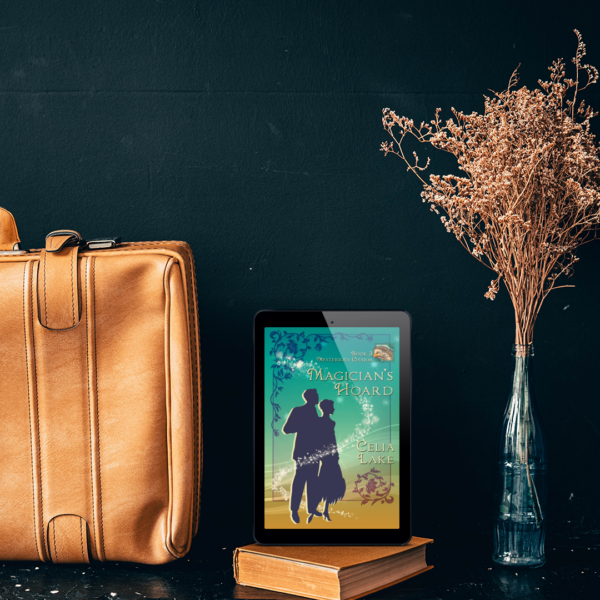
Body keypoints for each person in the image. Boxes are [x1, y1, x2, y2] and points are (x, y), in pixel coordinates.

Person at [282, 389, 324, 524]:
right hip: (302, 453)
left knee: (313, 482)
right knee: (299, 481)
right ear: (310, 397)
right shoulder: (298, 410)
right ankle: (294, 510)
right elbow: (286, 429)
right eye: (316, 395)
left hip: (315, 453)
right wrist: (305, 425)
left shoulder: (315, 412)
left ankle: (311, 509)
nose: (318, 397)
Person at [312, 399, 346, 522]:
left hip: (332, 456)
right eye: (332, 406)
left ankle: (324, 510)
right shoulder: (320, 422)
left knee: (332, 482)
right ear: (326, 408)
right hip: (326, 457)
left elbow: (333, 439)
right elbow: (319, 439)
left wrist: (335, 453)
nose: (334, 409)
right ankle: (315, 508)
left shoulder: (332, 423)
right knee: (325, 481)